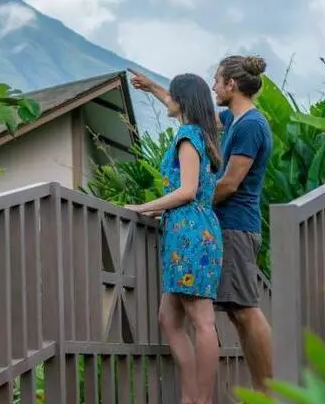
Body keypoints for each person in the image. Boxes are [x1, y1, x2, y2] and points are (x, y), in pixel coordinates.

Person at [130, 56, 273, 394]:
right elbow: (188, 109)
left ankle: (266, 395)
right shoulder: (230, 119)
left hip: (235, 224)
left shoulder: (251, 125)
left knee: (244, 310)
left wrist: (188, 206)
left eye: (217, 80)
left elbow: (230, 183)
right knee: (228, 313)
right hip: (217, 223)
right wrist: (151, 87)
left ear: (231, 85)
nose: (213, 87)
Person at [123, 73, 223, 404]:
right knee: (169, 318)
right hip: (194, 229)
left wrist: (143, 207)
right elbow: (173, 101)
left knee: (201, 319)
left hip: (189, 232)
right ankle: (191, 396)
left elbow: (187, 190)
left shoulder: (186, 137)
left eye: (172, 97)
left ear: (182, 102)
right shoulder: (202, 132)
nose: (169, 101)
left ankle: (201, 400)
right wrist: (150, 87)